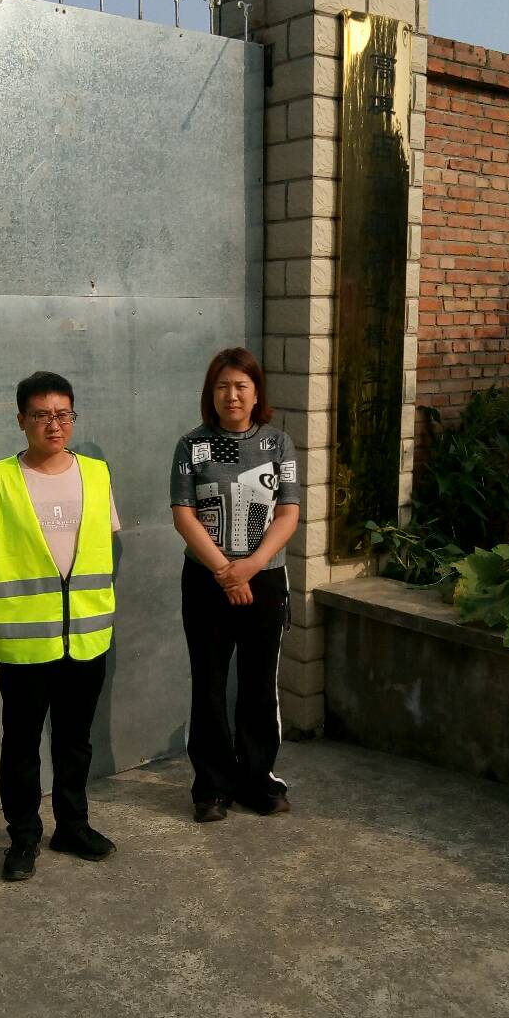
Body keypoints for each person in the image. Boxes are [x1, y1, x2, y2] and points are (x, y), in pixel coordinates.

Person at [0, 372, 121, 883]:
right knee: (20, 745)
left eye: (63, 414)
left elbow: (103, 544)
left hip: (87, 634)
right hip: (25, 640)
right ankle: (23, 837)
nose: (54, 424)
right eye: (41, 415)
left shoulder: (97, 473)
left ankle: (73, 826)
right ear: (21, 420)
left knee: (75, 741)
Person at [170, 347, 301, 822]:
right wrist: (226, 571)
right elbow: (183, 514)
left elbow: (288, 513)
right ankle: (211, 786)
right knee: (208, 683)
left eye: (241, 386)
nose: (232, 395)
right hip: (206, 581)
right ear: (211, 393)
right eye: (223, 386)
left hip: (265, 580)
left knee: (259, 683)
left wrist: (251, 566)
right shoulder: (192, 445)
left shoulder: (278, 444)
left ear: (256, 392)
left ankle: (258, 780)